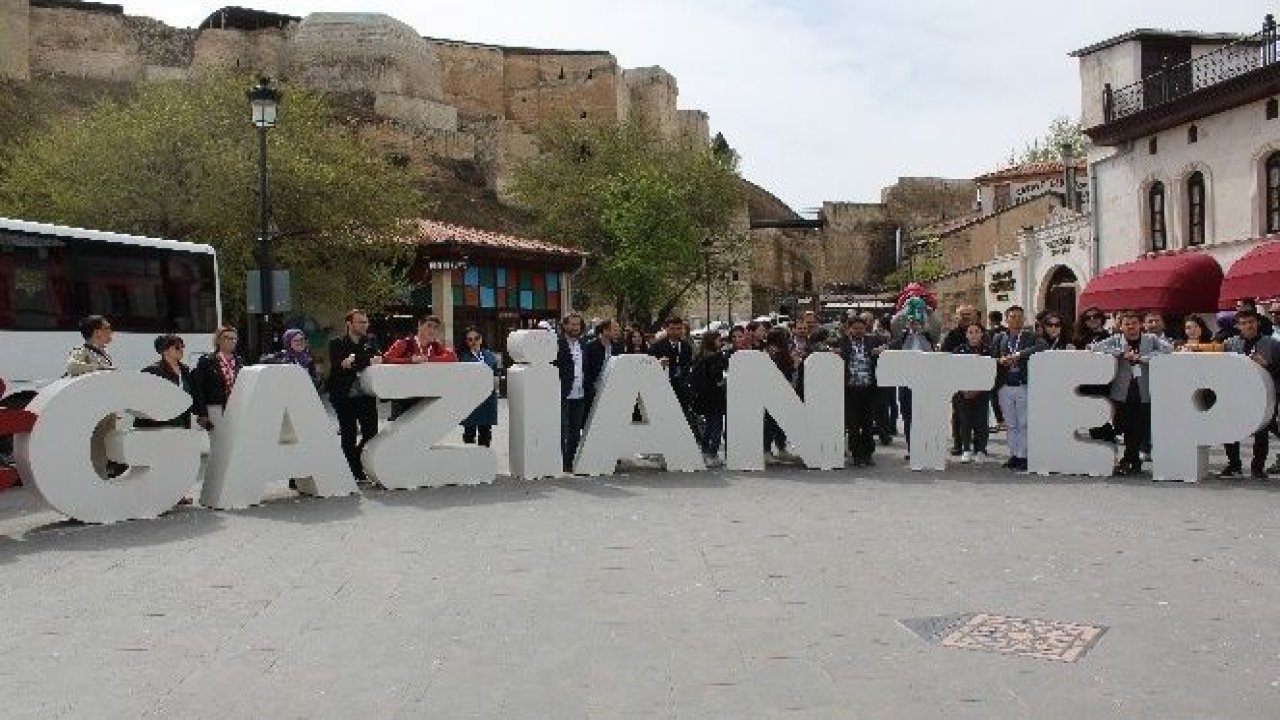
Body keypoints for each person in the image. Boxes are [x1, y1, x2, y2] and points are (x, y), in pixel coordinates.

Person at [1088, 312, 1173, 476]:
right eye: (1127, 324)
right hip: (1122, 391)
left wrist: (1144, 357)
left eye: (1134, 323)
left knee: (1138, 428)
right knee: (1121, 425)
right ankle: (1129, 460)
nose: (1131, 327)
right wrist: (1121, 353)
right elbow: (1096, 347)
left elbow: (1168, 349)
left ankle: (1130, 461)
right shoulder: (1117, 339)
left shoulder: (1150, 339)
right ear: (1121, 326)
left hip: (1144, 391)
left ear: (1140, 325)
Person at [1219, 310, 1280, 478]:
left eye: (1251, 322)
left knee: (1262, 431)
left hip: (1265, 394)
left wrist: (1266, 365)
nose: (1248, 326)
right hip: (1236, 393)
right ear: (1237, 326)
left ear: (1258, 323)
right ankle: (1234, 465)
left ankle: (1257, 468)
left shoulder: (1273, 344)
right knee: (1230, 428)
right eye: (1243, 323)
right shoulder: (1229, 344)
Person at [327, 309, 383, 483]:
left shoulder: (370, 341)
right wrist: (365, 360)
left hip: (365, 394)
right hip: (343, 395)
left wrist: (354, 360)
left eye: (366, 322)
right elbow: (339, 365)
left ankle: (355, 462)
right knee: (348, 434)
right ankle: (353, 471)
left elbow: (379, 358)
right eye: (360, 322)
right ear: (349, 324)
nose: (364, 325)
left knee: (371, 432)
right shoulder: (336, 343)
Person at [992, 306, 1044, 471]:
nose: (1016, 320)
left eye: (1019, 317)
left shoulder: (1030, 336)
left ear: (1024, 319)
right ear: (1006, 319)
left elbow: (1041, 347)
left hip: (1023, 384)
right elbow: (993, 356)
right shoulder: (999, 337)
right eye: (1012, 317)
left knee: (1024, 422)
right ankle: (1014, 454)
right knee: (1011, 423)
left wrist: (1019, 355)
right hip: (1005, 386)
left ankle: (1024, 456)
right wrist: (1000, 360)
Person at [382, 314, 459, 419]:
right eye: (429, 326)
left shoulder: (435, 346)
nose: (432, 330)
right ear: (419, 326)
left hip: (427, 396)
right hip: (403, 397)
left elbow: (453, 358)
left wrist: (428, 359)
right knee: (403, 432)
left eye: (436, 327)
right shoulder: (404, 343)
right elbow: (386, 359)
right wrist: (410, 360)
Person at [888, 303, 935, 460]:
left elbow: (936, 325)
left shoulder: (929, 336)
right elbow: (894, 322)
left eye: (916, 321)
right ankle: (912, 448)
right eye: (911, 321)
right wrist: (905, 308)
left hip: (926, 383)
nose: (913, 324)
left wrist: (929, 312)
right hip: (906, 382)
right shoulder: (900, 337)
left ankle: (927, 446)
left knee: (926, 415)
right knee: (908, 416)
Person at [839, 315, 884, 467]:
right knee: (852, 425)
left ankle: (868, 454)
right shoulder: (842, 343)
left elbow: (892, 343)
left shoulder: (873, 341)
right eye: (855, 328)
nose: (859, 331)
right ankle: (857, 455)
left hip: (869, 388)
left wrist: (882, 349)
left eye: (861, 328)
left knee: (867, 424)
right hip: (850, 389)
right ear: (848, 329)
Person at [136, 334, 200, 430]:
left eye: (182, 346)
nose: (181, 349)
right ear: (164, 351)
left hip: (181, 423)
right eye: (177, 347)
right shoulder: (152, 371)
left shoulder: (186, 370)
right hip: (158, 426)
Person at [941, 305, 979, 456]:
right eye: (962, 314)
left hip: (978, 379)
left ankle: (978, 445)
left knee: (978, 414)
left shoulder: (982, 332)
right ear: (957, 317)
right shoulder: (952, 335)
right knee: (958, 415)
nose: (965, 317)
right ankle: (959, 444)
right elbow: (944, 355)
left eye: (968, 314)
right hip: (957, 380)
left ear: (974, 316)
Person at [650, 316, 697, 434]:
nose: (676, 332)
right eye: (672, 328)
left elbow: (689, 365)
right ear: (666, 329)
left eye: (678, 328)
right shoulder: (657, 346)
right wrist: (658, 363)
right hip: (663, 387)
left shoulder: (686, 347)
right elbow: (649, 365)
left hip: (682, 389)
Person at [952, 323, 992, 463]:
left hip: (982, 392)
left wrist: (977, 390)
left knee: (981, 421)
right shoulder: (959, 350)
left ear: (982, 334)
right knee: (965, 421)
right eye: (970, 332)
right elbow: (954, 371)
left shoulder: (988, 350)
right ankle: (966, 449)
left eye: (977, 331)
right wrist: (964, 390)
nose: (974, 334)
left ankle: (981, 450)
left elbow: (990, 372)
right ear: (966, 335)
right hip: (962, 393)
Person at [554, 313, 589, 472]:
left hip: (580, 394)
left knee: (575, 431)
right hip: (562, 393)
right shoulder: (556, 344)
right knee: (560, 430)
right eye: (572, 324)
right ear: (565, 326)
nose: (575, 327)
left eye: (578, 325)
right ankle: (558, 462)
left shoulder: (583, 344)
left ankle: (569, 462)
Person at [690, 330, 728, 467]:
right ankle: (712, 454)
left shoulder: (700, 356)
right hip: (715, 395)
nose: (721, 342)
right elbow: (717, 376)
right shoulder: (716, 357)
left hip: (704, 397)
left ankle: (705, 450)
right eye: (718, 340)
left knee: (709, 425)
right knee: (717, 425)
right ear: (712, 341)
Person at [193, 325, 243, 428]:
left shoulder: (239, 361)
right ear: (218, 340)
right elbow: (198, 388)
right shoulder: (207, 360)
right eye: (227, 338)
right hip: (214, 409)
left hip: (235, 408)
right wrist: (202, 413)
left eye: (234, 338)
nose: (231, 341)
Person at [459, 327, 499, 448]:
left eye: (476, 338)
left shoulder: (490, 356)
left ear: (481, 339)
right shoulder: (462, 358)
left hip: (487, 399)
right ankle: (470, 462)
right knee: (469, 433)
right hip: (469, 400)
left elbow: (496, 375)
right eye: (470, 339)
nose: (474, 342)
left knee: (485, 433)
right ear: (466, 342)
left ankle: (484, 461)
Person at [762, 327, 797, 461]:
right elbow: (785, 370)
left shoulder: (771, 351)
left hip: (779, 390)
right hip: (776, 391)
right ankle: (768, 450)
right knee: (772, 422)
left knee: (778, 422)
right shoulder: (775, 353)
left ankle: (779, 448)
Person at [584, 318, 621, 407]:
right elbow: (586, 370)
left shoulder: (618, 347)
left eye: (618, 330)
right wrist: (591, 389)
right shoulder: (590, 346)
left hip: (611, 390)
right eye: (614, 330)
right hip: (593, 392)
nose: (617, 332)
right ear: (605, 331)